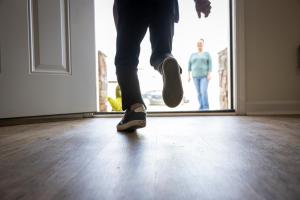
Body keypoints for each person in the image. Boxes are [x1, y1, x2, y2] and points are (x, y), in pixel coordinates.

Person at [113, 0, 212, 131]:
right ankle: (166, 61)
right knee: (162, 52)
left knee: (126, 57)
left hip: (132, 5)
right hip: (166, 4)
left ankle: (135, 109)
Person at [188, 39, 212, 110]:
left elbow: (210, 64)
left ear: (203, 44)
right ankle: (201, 107)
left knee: (203, 91)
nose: (199, 45)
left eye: (201, 43)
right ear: (196, 45)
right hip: (195, 76)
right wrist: (188, 75)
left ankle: (206, 107)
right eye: (198, 43)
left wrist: (209, 74)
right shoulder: (192, 55)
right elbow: (189, 65)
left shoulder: (207, 54)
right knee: (198, 93)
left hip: (204, 76)